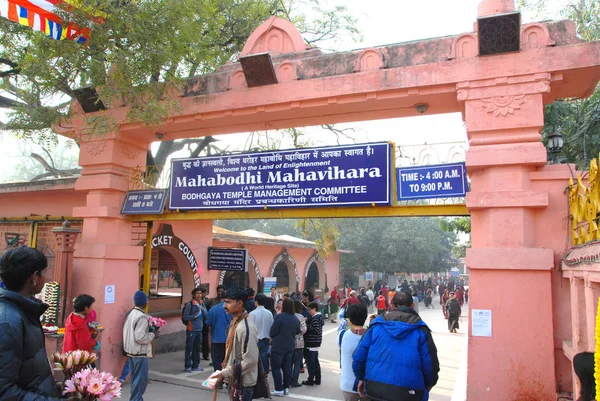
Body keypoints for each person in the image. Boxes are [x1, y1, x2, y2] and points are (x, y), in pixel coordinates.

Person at [0, 246, 66, 400]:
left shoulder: (24, 311)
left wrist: (52, 388)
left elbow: (27, 373)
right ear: (34, 277)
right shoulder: (8, 322)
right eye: (44, 273)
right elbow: (5, 392)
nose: (46, 278)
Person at [353, 291, 440, 401]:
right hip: (410, 393)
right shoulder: (421, 330)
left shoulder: (376, 326)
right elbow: (431, 365)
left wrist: (361, 378)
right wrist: (428, 385)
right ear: (412, 306)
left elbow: (358, 358)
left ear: (392, 305)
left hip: (375, 389)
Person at [211, 288, 259, 401]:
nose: (224, 306)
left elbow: (251, 360)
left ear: (239, 303)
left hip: (242, 383)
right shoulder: (235, 322)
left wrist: (224, 373)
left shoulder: (245, 327)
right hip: (235, 380)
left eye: (228, 302)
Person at [123, 291, 156, 401]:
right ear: (145, 302)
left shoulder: (131, 313)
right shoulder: (141, 317)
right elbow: (140, 338)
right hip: (139, 353)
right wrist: (152, 334)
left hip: (131, 352)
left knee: (135, 380)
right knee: (140, 382)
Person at [270, 299, 301, 397]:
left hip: (278, 346)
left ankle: (278, 389)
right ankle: (286, 387)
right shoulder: (295, 318)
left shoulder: (279, 317)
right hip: (290, 346)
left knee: (276, 368)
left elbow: (272, 332)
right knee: (287, 367)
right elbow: (297, 331)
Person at [339, 304, 368, 401]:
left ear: (350, 319)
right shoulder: (371, 335)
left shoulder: (342, 335)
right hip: (366, 385)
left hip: (347, 384)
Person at [182, 287, 207, 372]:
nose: (199, 295)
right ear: (193, 295)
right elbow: (185, 317)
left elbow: (206, 315)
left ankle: (196, 365)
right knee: (189, 348)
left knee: (197, 348)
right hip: (191, 329)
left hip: (199, 329)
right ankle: (188, 366)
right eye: (197, 293)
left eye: (200, 293)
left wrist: (202, 308)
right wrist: (194, 316)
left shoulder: (202, 303)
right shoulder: (190, 305)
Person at [206, 292, 232, 373]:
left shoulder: (213, 309)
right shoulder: (233, 309)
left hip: (217, 339)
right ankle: (228, 382)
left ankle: (219, 382)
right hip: (230, 339)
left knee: (217, 361)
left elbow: (208, 323)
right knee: (229, 361)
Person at [248, 293, 273, 375]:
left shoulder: (252, 314)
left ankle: (255, 373)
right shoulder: (269, 313)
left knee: (253, 357)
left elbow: (250, 328)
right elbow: (271, 326)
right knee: (264, 357)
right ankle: (264, 373)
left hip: (254, 339)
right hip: (266, 339)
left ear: (256, 302)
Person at [303, 301, 324, 386]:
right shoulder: (319, 317)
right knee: (315, 361)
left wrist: (307, 323)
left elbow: (316, 330)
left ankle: (310, 379)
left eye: (309, 309)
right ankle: (317, 379)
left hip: (312, 343)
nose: (308, 311)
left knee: (310, 362)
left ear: (314, 309)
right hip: (316, 343)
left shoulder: (315, 318)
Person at [291, 300, 307, 388]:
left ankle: (288, 380)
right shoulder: (300, 317)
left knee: (289, 363)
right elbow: (304, 329)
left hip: (289, 342)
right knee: (297, 363)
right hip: (299, 343)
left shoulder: (288, 316)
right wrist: (299, 332)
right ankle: (295, 381)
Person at [200, 288, 210, 361]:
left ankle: (205, 354)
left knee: (205, 339)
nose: (202, 295)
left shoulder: (207, 301)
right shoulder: (194, 302)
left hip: (205, 322)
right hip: (197, 323)